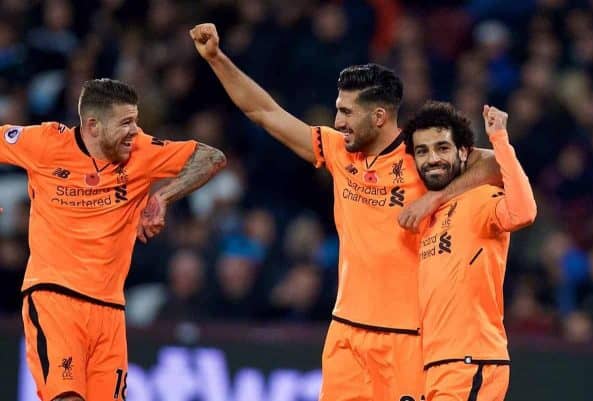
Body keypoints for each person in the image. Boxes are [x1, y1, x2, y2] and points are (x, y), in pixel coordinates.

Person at [189, 23, 502, 401]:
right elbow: (264, 111)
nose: (338, 122)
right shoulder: (338, 150)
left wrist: (435, 197)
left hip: (408, 338)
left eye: (346, 112)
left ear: (380, 117)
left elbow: (495, 163)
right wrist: (216, 59)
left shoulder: (423, 155)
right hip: (346, 334)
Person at [0, 78, 226, 401]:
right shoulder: (45, 143)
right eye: (126, 123)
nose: (135, 131)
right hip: (54, 297)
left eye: (135, 120)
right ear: (93, 126)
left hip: (110, 310)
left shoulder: (141, 152)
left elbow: (211, 158)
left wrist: (164, 196)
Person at [402, 102, 536, 401]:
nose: (432, 158)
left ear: (463, 152)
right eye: (422, 151)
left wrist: (500, 139)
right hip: (437, 365)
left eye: (442, 148)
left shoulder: (480, 198)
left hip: (470, 360)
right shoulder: (427, 218)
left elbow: (524, 212)